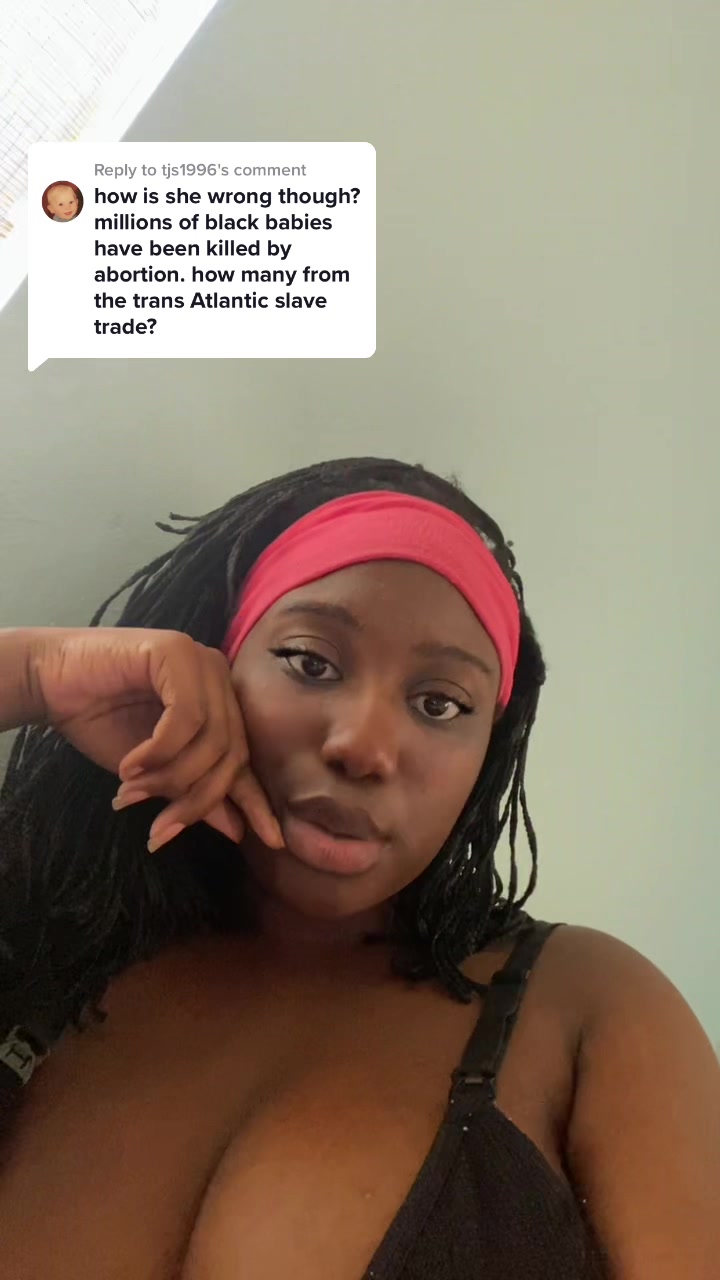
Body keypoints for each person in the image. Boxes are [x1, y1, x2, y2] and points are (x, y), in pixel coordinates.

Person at [0, 457, 717, 1279]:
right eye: (311, 662)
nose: (364, 747)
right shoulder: (50, 960)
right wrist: (31, 674)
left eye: (440, 703)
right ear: (216, 662)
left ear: (486, 758)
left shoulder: (586, 1006)